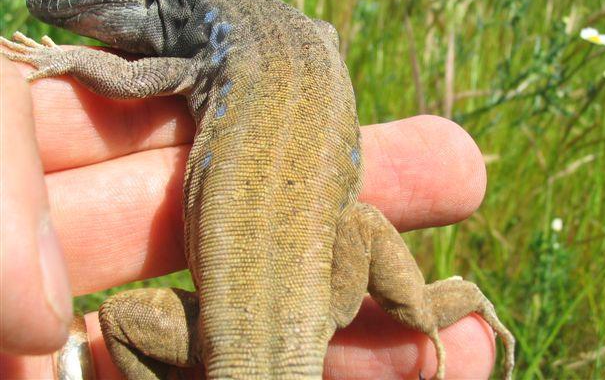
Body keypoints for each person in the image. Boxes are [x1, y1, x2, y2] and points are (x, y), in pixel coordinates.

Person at [0, 55, 497, 379]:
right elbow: (363, 224)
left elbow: (116, 319)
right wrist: (414, 306)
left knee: (118, 319)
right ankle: (432, 311)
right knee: (363, 226)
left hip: (225, 337)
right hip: (315, 316)